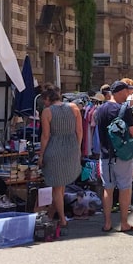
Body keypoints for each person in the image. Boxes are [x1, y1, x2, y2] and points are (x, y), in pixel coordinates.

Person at [95, 81, 133, 233]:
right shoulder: (124, 109)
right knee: (125, 188)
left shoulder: (99, 110)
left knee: (108, 188)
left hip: (105, 155)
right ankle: (124, 223)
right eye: (127, 91)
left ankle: (107, 223)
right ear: (120, 91)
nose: (128, 95)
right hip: (122, 155)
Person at [37, 84, 82, 229]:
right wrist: (77, 147)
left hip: (54, 149)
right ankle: (51, 215)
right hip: (71, 148)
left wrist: (41, 155)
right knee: (61, 186)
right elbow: (79, 131)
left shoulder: (47, 112)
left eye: (44, 99)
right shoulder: (74, 108)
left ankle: (62, 219)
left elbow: (45, 136)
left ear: (48, 98)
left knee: (57, 187)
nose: (44, 102)